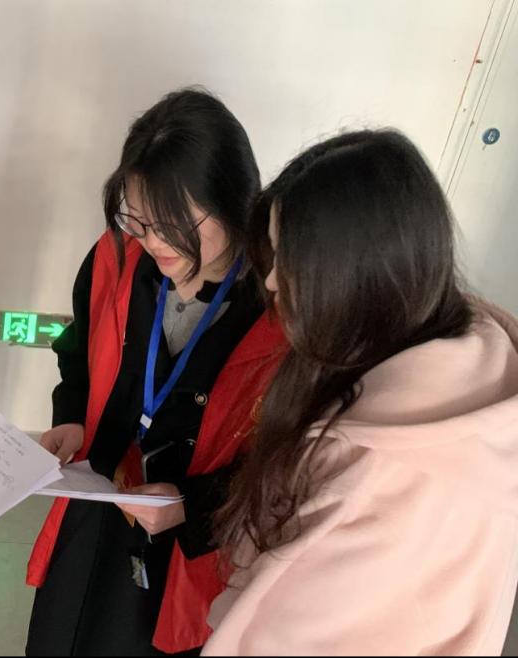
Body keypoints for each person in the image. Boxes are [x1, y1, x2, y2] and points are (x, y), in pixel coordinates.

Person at [205, 130, 518, 655]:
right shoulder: (473, 367)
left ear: (355, 272)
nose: (274, 282)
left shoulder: (379, 478)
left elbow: (271, 640)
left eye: (290, 259)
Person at [26, 88, 266, 655]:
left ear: (233, 201)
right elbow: (77, 351)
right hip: (99, 507)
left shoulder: (275, 310)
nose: (154, 240)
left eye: (176, 222)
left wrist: (195, 506)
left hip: (191, 550)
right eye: (138, 217)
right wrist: (72, 416)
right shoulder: (117, 260)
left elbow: (290, 462)